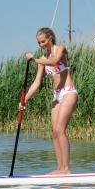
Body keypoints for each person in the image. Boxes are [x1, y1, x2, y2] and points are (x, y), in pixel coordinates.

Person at [19, 27, 78, 175]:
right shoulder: (42, 60)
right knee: (54, 133)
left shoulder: (61, 49)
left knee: (60, 130)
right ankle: (59, 169)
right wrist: (23, 100)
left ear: (50, 38)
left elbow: (54, 61)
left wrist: (35, 59)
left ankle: (66, 169)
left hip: (69, 92)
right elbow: (37, 82)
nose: (41, 45)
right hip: (56, 95)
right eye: (39, 43)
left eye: (43, 41)